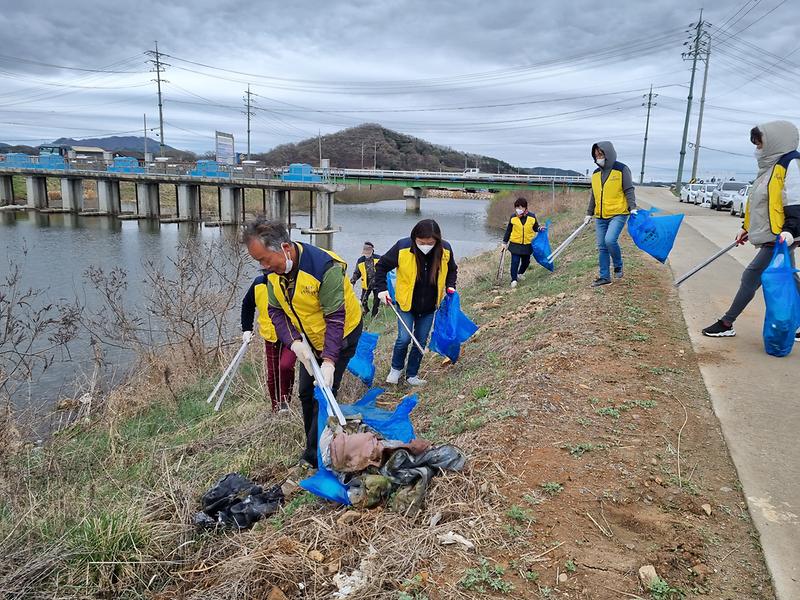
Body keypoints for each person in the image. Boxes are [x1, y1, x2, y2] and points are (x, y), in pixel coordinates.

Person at [242, 217, 363, 467]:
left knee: (325, 392)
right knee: (306, 392)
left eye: (265, 259)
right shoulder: (274, 274)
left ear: (285, 248)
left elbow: (335, 318)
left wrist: (329, 361)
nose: (263, 267)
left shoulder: (323, 268)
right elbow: (276, 311)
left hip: (341, 335)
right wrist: (295, 343)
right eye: (258, 262)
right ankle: (313, 444)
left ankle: (315, 456)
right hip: (309, 337)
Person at [702, 120, 800, 339]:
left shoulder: (790, 163)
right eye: (756, 144)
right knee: (790, 280)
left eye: (759, 143)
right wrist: (746, 227)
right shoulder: (768, 168)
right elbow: (759, 203)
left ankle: (727, 322)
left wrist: (790, 230)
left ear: (775, 141)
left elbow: (795, 200)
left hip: (781, 235)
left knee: (751, 276)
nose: (758, 149)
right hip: (772, 233)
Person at [374, 219, 458, 386]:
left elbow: (452, 269)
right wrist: (381, 290)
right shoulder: (402, 248)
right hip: (406, 303)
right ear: (414, 238)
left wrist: (450, 286)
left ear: (437, 240)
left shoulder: (445, 250)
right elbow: (381, 266)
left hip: (429, 306)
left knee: (420, 340)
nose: (425, 246)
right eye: (421, 242)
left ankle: (412, 374)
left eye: (430, 243)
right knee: (404, 338)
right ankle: (395, 369)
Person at [584, 141, 638, 287]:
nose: (598, 158)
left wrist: (632, 207)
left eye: (600, 154)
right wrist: (589, 213)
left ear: (608, 153)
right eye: (596, 155)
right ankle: (604, 276)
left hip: (618, 213)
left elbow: (629, 189)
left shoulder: (621, 169)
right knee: (602, 247)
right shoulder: (595, 174)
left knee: (609, 240)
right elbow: (594, 196)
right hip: (600, 215)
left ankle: (618, 264)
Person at [241, 272, 297, 412]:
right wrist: (247, 329)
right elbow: (247, 304)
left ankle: (285, 402)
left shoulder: (289, 282)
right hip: (270, 335)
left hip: (291, 334)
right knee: (273, 374)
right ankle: (275, 407)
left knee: (285, 366)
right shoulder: (259, 283)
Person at [502, 197, 544, 288]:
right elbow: (508, 230)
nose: (518, 210)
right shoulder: (513, 217)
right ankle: (513, 280)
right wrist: (504, 242)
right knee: (515, 262)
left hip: (527, 244)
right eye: (517, 207)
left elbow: (535, 227)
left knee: (526, 262)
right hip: (515, 244)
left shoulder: (532, 217)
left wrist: (539, 229)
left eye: (520, 207)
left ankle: (520, 273)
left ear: (525, 208)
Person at [351, 241, 381, 317]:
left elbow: (383, 270)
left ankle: (374, 315)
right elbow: (357, 273)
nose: (367, 252)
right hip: (366, 285)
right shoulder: (360, 260)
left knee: (376, 301)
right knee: (363, 300)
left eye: (368, 250)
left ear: (372, 250)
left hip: (377, 284)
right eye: (365, 250)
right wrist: (352, 282)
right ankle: (366, 310)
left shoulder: (378, 258)